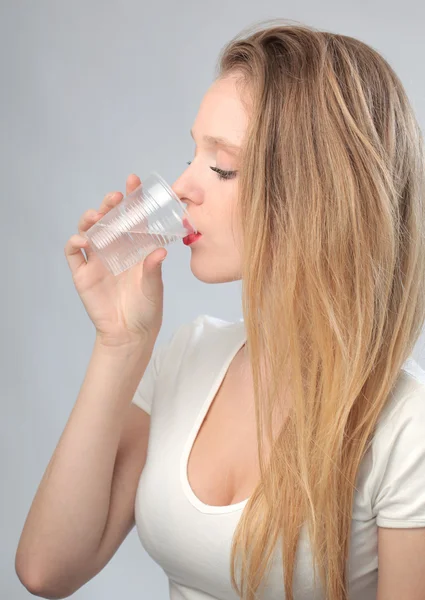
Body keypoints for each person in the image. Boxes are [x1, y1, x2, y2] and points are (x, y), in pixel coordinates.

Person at [15, 18, 425, 600]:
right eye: (192, 153)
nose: (182, 185)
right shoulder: (187, 357)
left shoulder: (408, 428)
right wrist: (120, 345)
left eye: (223, 166)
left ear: (319, 196)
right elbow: (46, 569)